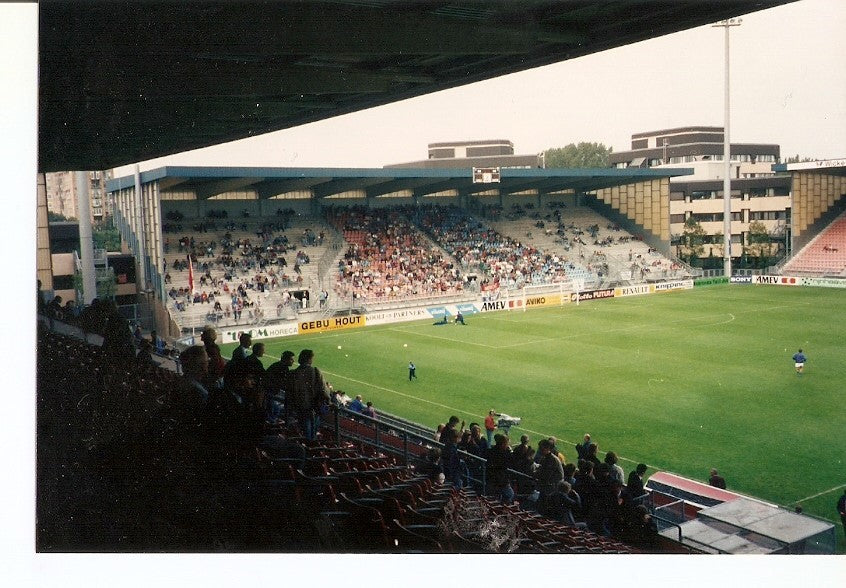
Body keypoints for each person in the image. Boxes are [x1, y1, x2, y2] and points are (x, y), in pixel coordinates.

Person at [288, 349, 329, 440]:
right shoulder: (315, 371)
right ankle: (310, 446)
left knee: (304, 426)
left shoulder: (293, 373)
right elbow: (323, 389)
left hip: (299, 406)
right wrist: (328, 401)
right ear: (309, 359)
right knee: (311, 428)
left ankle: (306, 444)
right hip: (313, 406)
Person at [534, 438, 564, 516]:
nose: (540, 450)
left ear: (547, 449)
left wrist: (537, 474)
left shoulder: (552, 460)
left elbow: (546, 475)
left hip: (552, 487)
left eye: (541, 448)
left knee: (544, 506)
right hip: (548, 486)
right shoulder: (545, 458)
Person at [486, 434, 514, 504]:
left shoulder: (491, 450)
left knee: (496, 496)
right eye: (507, 443)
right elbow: (509, 464)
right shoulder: (504, 453)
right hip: (501, 479)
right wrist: (510, 452)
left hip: (492, 478)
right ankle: (502, 508)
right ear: (503, 444)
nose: (507, 445)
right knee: (510, 494)